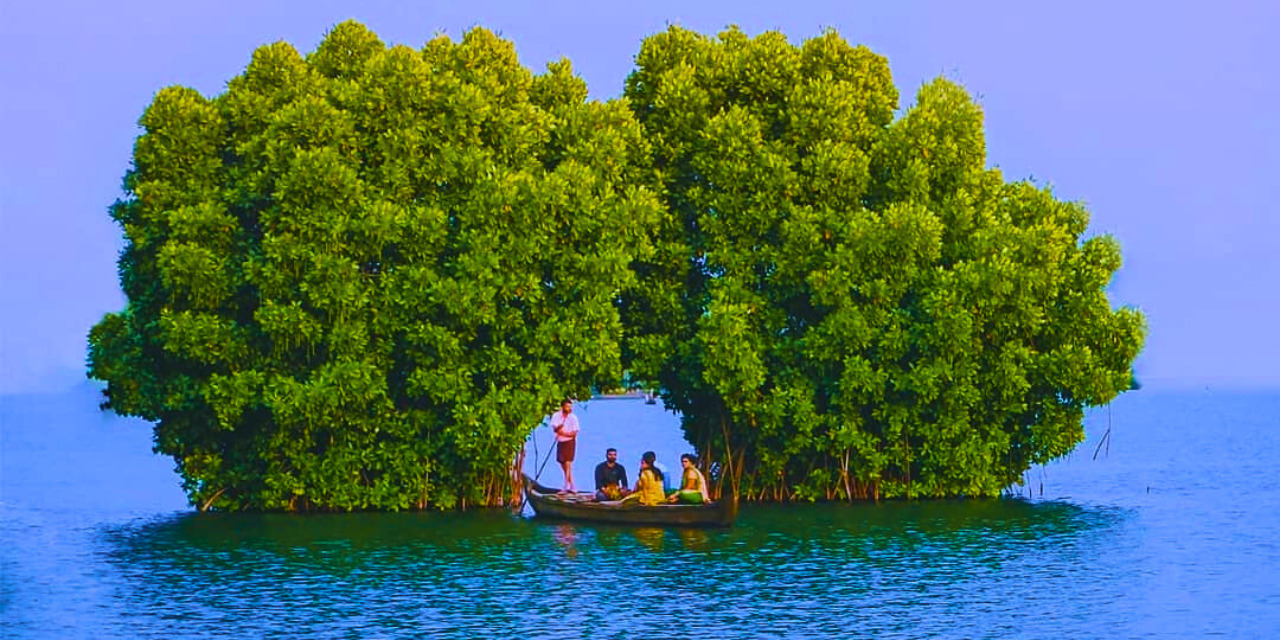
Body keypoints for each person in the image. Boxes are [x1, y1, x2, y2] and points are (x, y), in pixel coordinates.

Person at [550, 399, 580, 492]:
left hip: (569, 441)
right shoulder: (556, 416)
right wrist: (560, 427)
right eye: (567, 407)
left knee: (568, 463)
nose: (569, 409)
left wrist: (564, 433)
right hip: (560, 441)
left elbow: (574, 433)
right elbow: (555, 429)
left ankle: (565, 486)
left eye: (570, 407)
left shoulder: (573, 417)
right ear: (562, 407)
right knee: (562, 462)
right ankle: (573, 486)